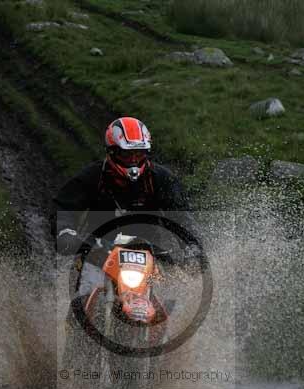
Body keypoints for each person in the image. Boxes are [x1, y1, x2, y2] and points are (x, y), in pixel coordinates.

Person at [50, 116, 200, 320]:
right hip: (98, 250)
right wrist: (65, 231)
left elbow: (182, 217)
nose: (133, 160)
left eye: (139, 154)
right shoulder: (93, 176)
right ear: (112, 152)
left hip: (149, 253)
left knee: (171, 303)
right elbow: (65, 206)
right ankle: (76, 335)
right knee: (85, 295)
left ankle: (165, 336)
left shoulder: (161, 179)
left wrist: (192, 245)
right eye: (127, 154)